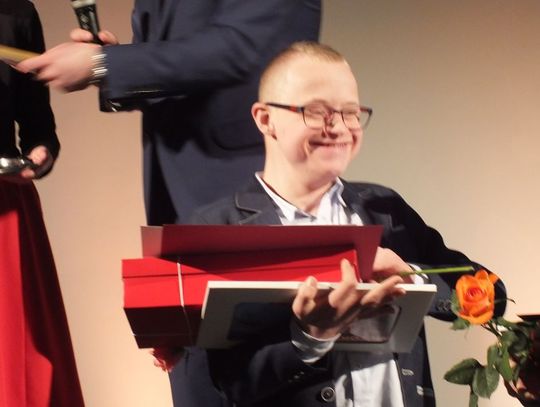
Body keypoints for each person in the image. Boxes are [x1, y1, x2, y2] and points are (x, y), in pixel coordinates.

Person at [174, 41, 507, 407]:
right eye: (316, 112)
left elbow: (496, 295)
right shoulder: (217, 228)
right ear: (265, 119)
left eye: (350, 112)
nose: (340, 128)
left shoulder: (386, 209)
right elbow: (212, 386)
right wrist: (311, 335)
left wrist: (413, 277)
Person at [17, 0, 321, 226]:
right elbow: (180, 65)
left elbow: (241, 47)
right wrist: (112, 63)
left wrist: (105, 64)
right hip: (177, 188)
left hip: (249, 180)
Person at [0, 0, 84, 406]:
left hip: (5, 207)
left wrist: (40, 152)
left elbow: (37, 122)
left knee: (19, 366)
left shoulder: (14, 11)